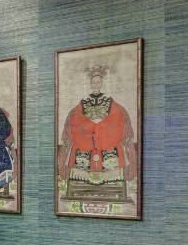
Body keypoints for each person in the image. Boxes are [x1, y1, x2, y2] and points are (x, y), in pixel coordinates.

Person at [57, 63, 137, 202]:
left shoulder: (109, 102)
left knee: (114, 148)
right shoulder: (83, 103)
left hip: (106, 138)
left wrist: (101, 127)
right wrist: (89, 126)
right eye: (93, 82)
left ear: (102, 83)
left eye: (98, 82)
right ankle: (79, 185)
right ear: (90, 83)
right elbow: (75, 119)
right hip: (86, 138)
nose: (96, 84)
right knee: (80, 149)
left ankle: (114, 185)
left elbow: (117, 117)